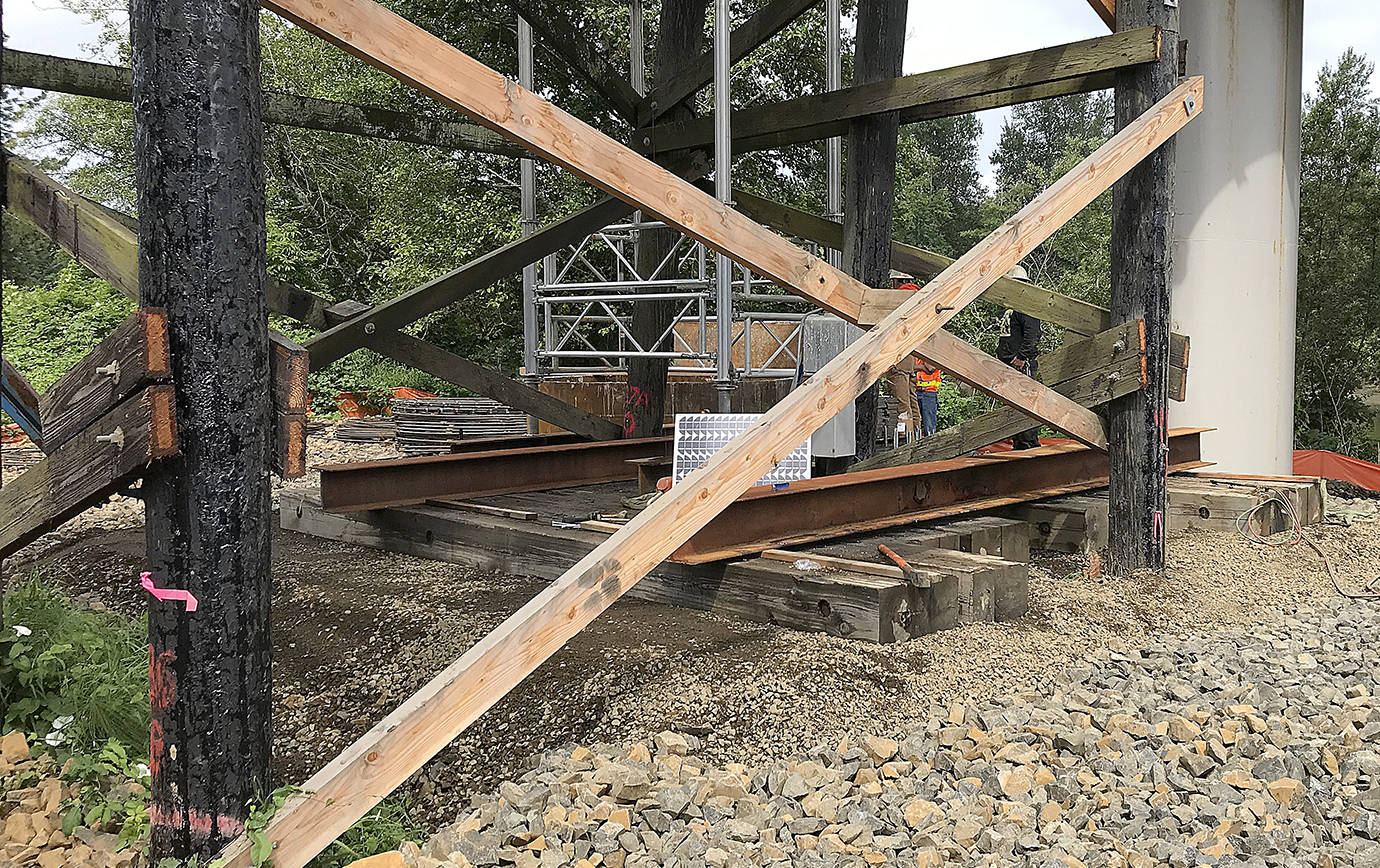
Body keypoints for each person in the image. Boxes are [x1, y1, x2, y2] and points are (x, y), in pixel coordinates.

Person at [996, 265, 1043, 450]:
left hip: (1021, 364)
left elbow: (1033, 334)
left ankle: (1028, 444)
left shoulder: (1026, 305)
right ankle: (1019, 442)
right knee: (1015, 405)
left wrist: (1022, 357)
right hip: (1009, 363)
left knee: (1026, 403)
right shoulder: (1012, 307)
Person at [884, 270, 922, 439]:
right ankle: (916, 436)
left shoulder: (899, 298)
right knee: (912, 402)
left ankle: (905, 439)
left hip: (898, 360)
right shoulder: (919, 296)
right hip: (909, 361)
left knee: (901, 404)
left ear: (895, 282)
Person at [915, 358, 941, 437]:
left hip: (929, 393)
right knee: (914, 423)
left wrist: (919, 366)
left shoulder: (933, 352)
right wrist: (921, 367)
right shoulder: (914, 355)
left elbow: (930, 368)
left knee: (929, 425)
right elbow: (908, 367)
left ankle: (930, 445)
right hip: (914, 391)